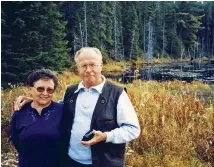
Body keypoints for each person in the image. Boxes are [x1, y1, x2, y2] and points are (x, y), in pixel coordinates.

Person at [15, 47, 141, 167]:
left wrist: (106, 136)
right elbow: (56, 107)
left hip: (102, 162)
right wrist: (35, 101)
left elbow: (132, 129)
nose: (88, 70)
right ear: (78, 68)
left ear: (101, 66)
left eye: (92, 64)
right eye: (83, 65)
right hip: (70, 160)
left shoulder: (117, 93)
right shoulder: (71, 91)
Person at [11, 69, 63, 167]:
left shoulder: (63, 111)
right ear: (30, 89)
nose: (45, 93)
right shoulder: (19, 113)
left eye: (50, 90)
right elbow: (16, 141)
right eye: (40, 89)